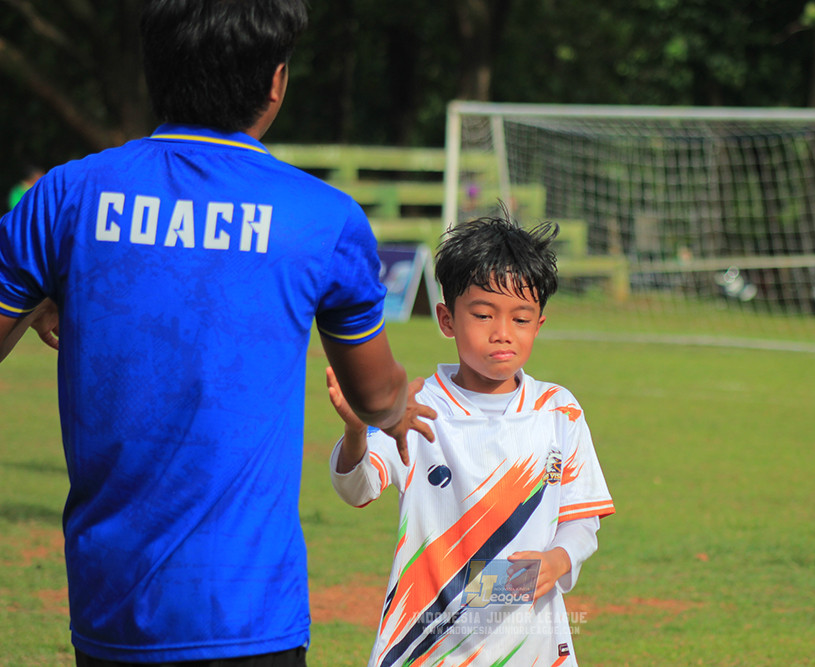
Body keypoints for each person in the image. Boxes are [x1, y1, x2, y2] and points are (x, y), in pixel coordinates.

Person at [0, 1, 435, 665]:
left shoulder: (66, 196)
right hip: (248, 614)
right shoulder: (322, 217)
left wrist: (41, 300)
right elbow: (374, 396)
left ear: (154, 69)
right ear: (276, 81)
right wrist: (398, 408)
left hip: (110, 610)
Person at [326, 213, 615, 667]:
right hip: (426, 647)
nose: (502, 333)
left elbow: (582, 518)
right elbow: (356, 488)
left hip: (530, 648)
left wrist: (559, 560)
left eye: (520, 318)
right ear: (447, 319)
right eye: (482, 315)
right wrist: (357, 429)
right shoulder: (417, 406)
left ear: (538, 324)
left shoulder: (559, 411)